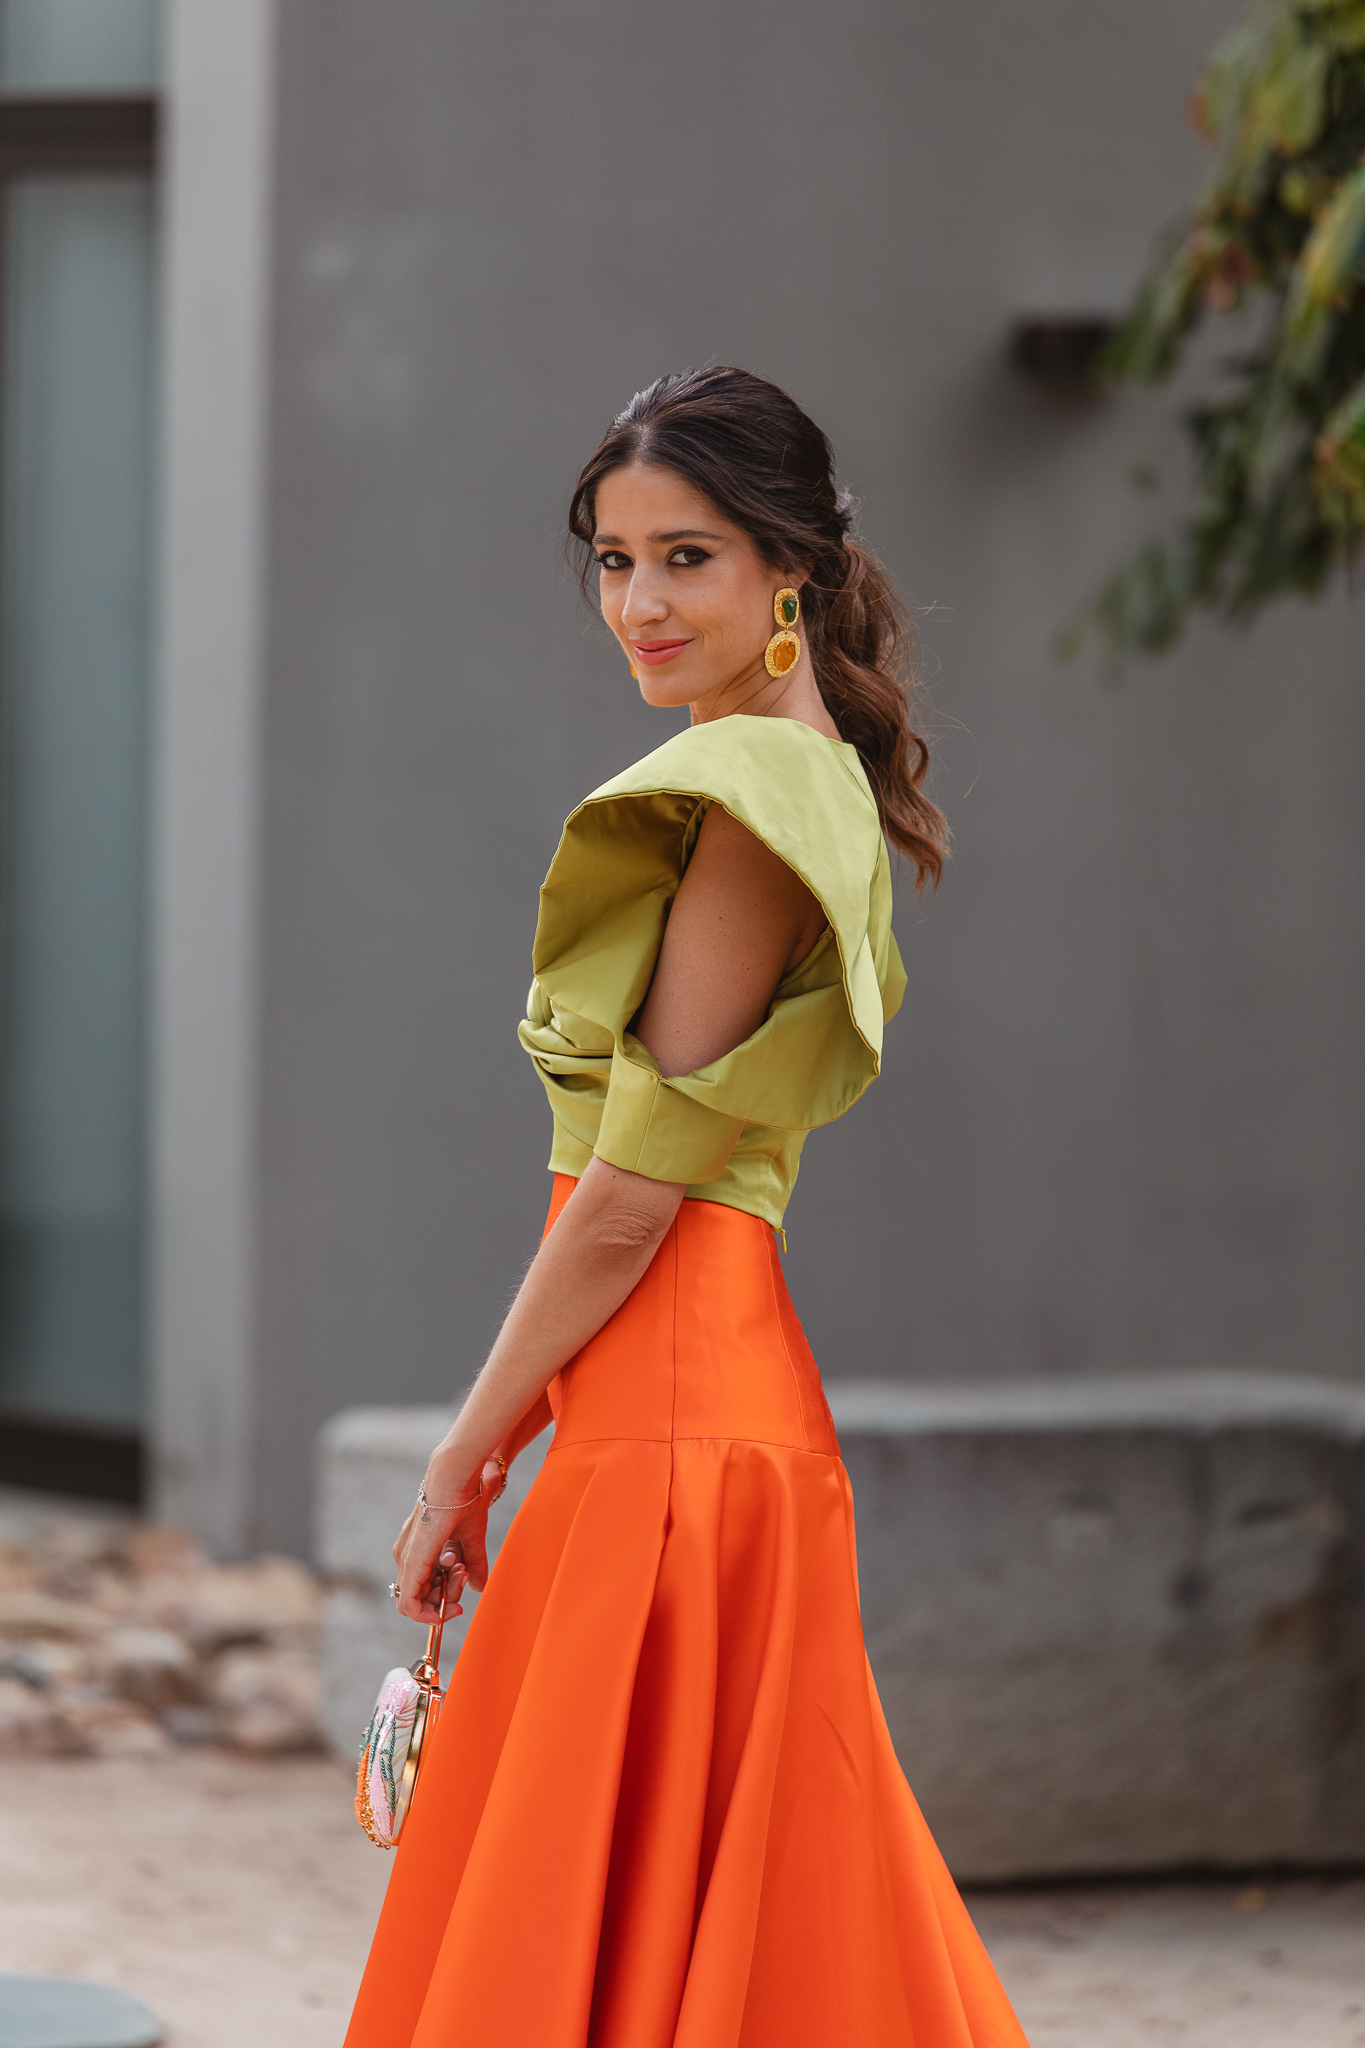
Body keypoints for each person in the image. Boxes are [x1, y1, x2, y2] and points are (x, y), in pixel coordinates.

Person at [345, 366, 1029, 2048]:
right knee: (733, 1909)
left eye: (687, 558)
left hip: (668, 1431)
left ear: (786, 569)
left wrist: (463, 1456)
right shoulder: (807, 780)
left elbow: (626, 1205)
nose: (637, 604)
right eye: (610, 558)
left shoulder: (746, 797)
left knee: (592, 1917)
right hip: (694, 1415)